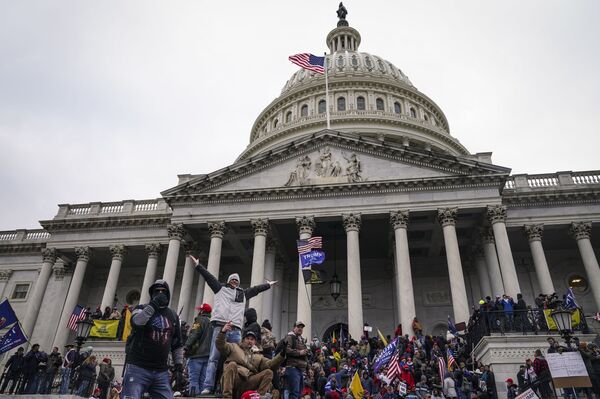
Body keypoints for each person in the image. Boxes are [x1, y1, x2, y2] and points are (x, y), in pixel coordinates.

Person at [190, 255, 275, 394]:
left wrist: (268, 285)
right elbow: (209, 277)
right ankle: (208, 386)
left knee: (235, 359)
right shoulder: (219, 289)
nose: (235, 281)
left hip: (235, 329)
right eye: (233, 280)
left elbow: (255, 289)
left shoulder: (242, 294)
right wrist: (198, 266)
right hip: (220, 327)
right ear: (229, 281)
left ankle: (224, 386)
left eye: (237, 280)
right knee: (214, 358)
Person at [122, 279, 184, 399]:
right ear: (152, 293)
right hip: (138, 367)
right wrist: (153, 305)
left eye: (163, 291)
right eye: (157, 291)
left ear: (168, 294)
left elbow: (177, 344)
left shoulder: (173, 316)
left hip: (160, 371)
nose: (160, 293)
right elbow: (137, 322)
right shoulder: (140, 308)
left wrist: (178, 366)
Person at [218, 321, 283, 399]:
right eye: (247, 338)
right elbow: (220, 345)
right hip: (235, 378)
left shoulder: (258, 355)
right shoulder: (234, 347)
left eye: (252, 339)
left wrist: (282, 354)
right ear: (243, 339)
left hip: (248, 381)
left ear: (255, 342)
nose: (249, 341)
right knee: (232, 364)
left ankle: (258, 397)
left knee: (269, 372)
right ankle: (227, 397)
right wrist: (223, 332)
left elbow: (270, 364)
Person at [185, 303, 214, 397]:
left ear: (202, 311)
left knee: (193, 379)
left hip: (196, 354)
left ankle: (193, 396)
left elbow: (194, 334)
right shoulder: (212, 322)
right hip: (208, 355)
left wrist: (186, 347)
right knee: (203, 381)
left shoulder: (199, 320)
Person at [285, 321, 310, 399]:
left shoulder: (301, 340)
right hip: (292, 368)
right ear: (294, 328)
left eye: (301, 327)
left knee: (299, 393)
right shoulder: (290, 337)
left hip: (299, 369)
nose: (300, 329)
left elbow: (304, 356)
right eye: (298, 327)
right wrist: (299, 352)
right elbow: (286, 350)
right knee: (294, 393)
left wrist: (308, 369)